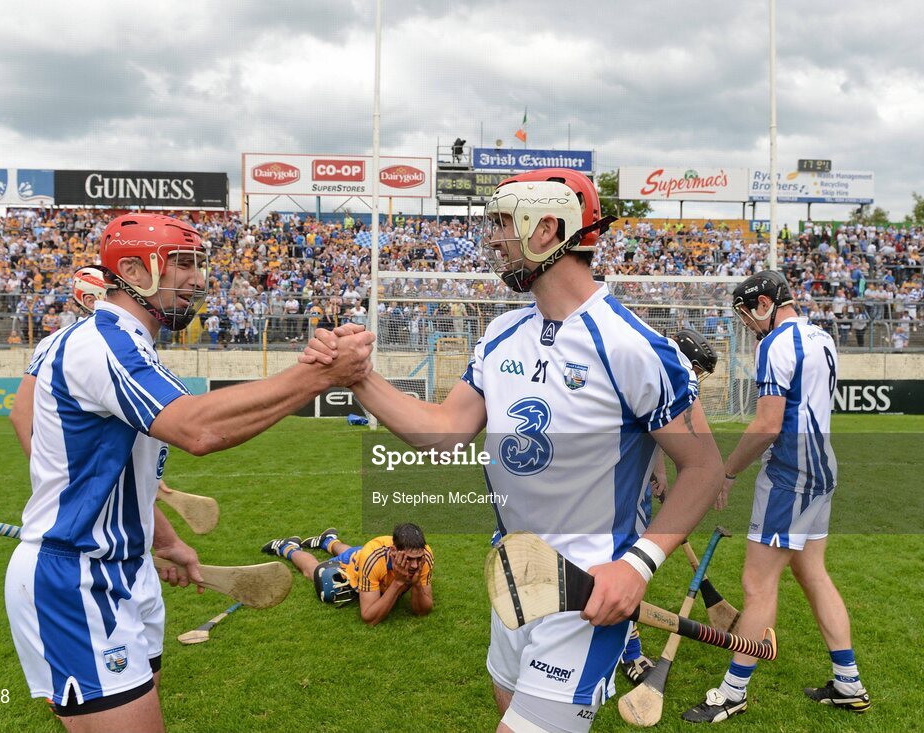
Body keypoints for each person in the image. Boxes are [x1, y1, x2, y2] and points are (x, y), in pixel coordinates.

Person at [301, 169, 724, 733]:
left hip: (589, 591)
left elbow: (703, 467)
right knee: (509, 703)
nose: (494, 238)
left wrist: (638, 567)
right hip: (516, 572)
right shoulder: (501, 334)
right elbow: (445, 431)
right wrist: (359, 378)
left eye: (503, 223)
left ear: (547, 228)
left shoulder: (633, 346)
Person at [4, 213, 373, 733]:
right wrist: (318, 376)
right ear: (131, 268)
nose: (198, 280)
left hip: (125, 569)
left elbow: (119, 475)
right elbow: (197, 430)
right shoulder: (102, 342)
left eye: (198, 266)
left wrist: (166, 539)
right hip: (79, 579)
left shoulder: (132, 343)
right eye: (180, 265)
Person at [682, 271, 870, 724]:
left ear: (765, 302)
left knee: (757, 585)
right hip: (823, 468)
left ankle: (732, 692)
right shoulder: (822, 336)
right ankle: (849, 684)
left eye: (748, 312)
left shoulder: (775, 345)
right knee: (813, 574)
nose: (747, 324)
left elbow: (767, 425)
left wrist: (726, 473)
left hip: (791, 474)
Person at [620, 327, 719, 685]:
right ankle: (629, 654)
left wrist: (658, 471)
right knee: (624, 565)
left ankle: (621, 643)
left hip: (635, 486)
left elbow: (656, 430)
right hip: (620, 492)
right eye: (697, 368)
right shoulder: (649, 370)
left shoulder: (659, 378)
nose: (697, 377)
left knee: (626, 564)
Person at [260, 523, 434, 626]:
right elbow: (369, 617)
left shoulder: (424, 556)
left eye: (418, 559)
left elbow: (423, 611)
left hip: (360, 554)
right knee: (318, 574)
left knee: (353, 552)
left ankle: (328, 540)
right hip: (355, 564)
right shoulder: (372, 559)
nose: (414, 565)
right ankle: (288, 547)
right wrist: (398, 583)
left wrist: (416, 583)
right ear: (394, 551)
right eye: (409, 559)